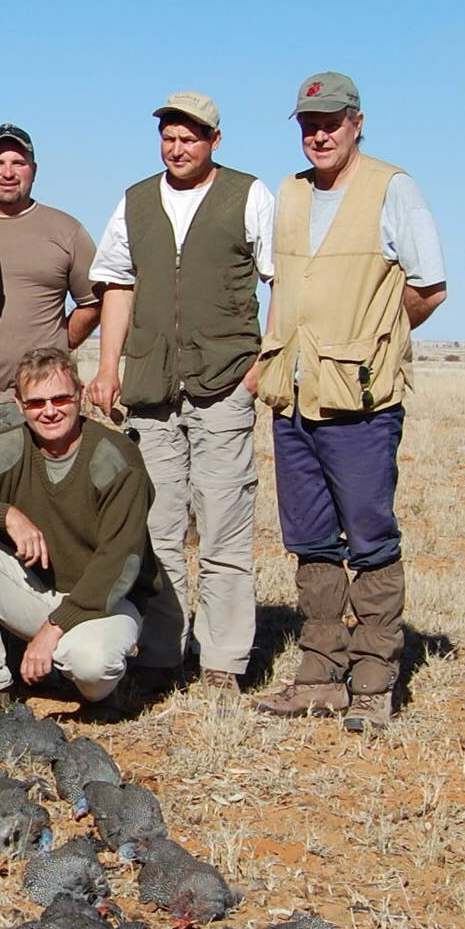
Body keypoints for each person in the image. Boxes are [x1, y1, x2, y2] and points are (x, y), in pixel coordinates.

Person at [253, 71, 446, 730]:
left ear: (357, 122)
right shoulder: (291, 192)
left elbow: (428, 287)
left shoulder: (394, 188)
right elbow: (279, 283)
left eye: (331, 121)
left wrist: (376, 343)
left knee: (368, 538)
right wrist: (269, 354)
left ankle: (372, 677)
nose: (319, 133)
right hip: (295, 397)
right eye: (308, 123)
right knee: (309, 540)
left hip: (360, 402)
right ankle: (318, 674)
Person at [85, 91, 275, 696]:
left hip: (224, 383)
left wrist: (262, 362)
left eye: (190, 137)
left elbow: (282, 281)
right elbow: (116, 284)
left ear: (214, 141)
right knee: (158, 529)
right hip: (150, 388)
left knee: (223, 526)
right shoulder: (136, 200)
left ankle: (221, 662)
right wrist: (107, 367)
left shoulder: (249, 195)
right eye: (169, 136)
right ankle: (161, 655)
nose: (177, 147)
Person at [0, 348, 161, 715]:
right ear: (19, 405)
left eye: (61, 398)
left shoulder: (117, 458)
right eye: (36, 402)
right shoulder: (5, 448)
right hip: (39, 591)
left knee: (91, 666)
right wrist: (5, 515)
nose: (50, 411)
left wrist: (53, 629)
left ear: (79, 394)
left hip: (106, 601)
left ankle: (88, 669)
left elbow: (119, 565)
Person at [0, 122, 98, 439]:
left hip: (38, 401)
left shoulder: (66, 230)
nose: (8, 172)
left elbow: (94, 302)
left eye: (18, 163)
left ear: (33, 169)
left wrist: (59, 342)